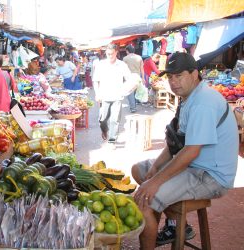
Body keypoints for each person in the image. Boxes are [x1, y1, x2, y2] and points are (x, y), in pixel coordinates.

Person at [131, 52, 238, 249]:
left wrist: (155, 182)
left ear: (194, 73)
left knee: (143, 202)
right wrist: (155, 168)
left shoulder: (203, 103)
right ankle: (174, 223)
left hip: (210, 175)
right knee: (139, 171)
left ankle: (152, 234)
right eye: (170, 77)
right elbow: (176, 145)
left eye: (179, 76)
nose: (174, 82)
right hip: (192, 165)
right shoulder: (190, 97)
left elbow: (190, 153)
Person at [92, 43, 132, 144]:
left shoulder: (122, 65)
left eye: (112, 54)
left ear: (116, 53)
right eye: (108, 54)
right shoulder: (101, 65)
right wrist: (97, 93)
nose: (110, 56)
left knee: (115, 120)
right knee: (103, 119)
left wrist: (130, 86)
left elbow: (129, 79)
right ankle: (104, 130)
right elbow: (95, 80)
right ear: (106, 53)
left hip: (117, 96)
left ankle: (112, 140)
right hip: (104, 96)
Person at [123, 45, 145, 113]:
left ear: (127, 51)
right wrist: (143, 78)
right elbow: (142, 68)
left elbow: (123, 69)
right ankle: (135, 104)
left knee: (130, 92)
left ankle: (133, 107)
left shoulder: (125, 58)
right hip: (137, 76)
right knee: (135, 91)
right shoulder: (139, 57)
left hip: (129, 77)